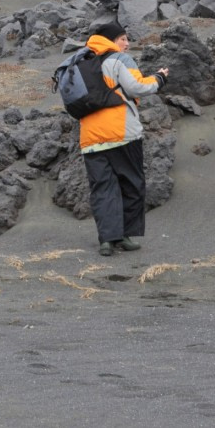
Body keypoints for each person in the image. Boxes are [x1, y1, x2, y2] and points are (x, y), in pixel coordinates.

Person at [79, 21, 170, 257]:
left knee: (103, 189)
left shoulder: (81, 62)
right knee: (131, 184)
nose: (127, 43)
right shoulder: (119, 59)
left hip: (90, 138)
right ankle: (125, 237)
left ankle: (107, 240)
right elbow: (137, 87)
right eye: (122, 39)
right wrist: (159, 78)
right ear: (111, 40)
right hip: (121, 134)